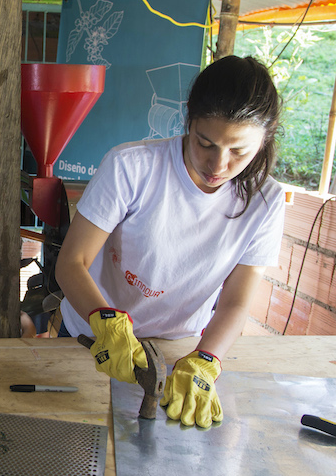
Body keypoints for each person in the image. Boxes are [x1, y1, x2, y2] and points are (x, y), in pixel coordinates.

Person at [55, 55, 285, 430]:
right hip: (93, 338)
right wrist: (107, 324)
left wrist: (206, 360)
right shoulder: (132, 167)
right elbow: (71, 263)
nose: (217, 164)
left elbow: (236, 301)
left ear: (265, 138)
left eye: (239, 151)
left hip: (179, 350)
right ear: (188, 121)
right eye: (205, 143)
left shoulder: (265, 201)